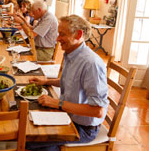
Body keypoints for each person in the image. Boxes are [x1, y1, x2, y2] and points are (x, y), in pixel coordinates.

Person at [26, 15, 109, 151]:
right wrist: (46, 81)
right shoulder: (72, 54)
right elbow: (70, 81)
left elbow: (98, 111)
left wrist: (58, 103)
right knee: (29, 124)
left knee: (29, 139)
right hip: (67, 116)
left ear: (79, 34)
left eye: (62, 34)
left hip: (83, 128)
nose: (57, 39)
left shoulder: (91, 63)